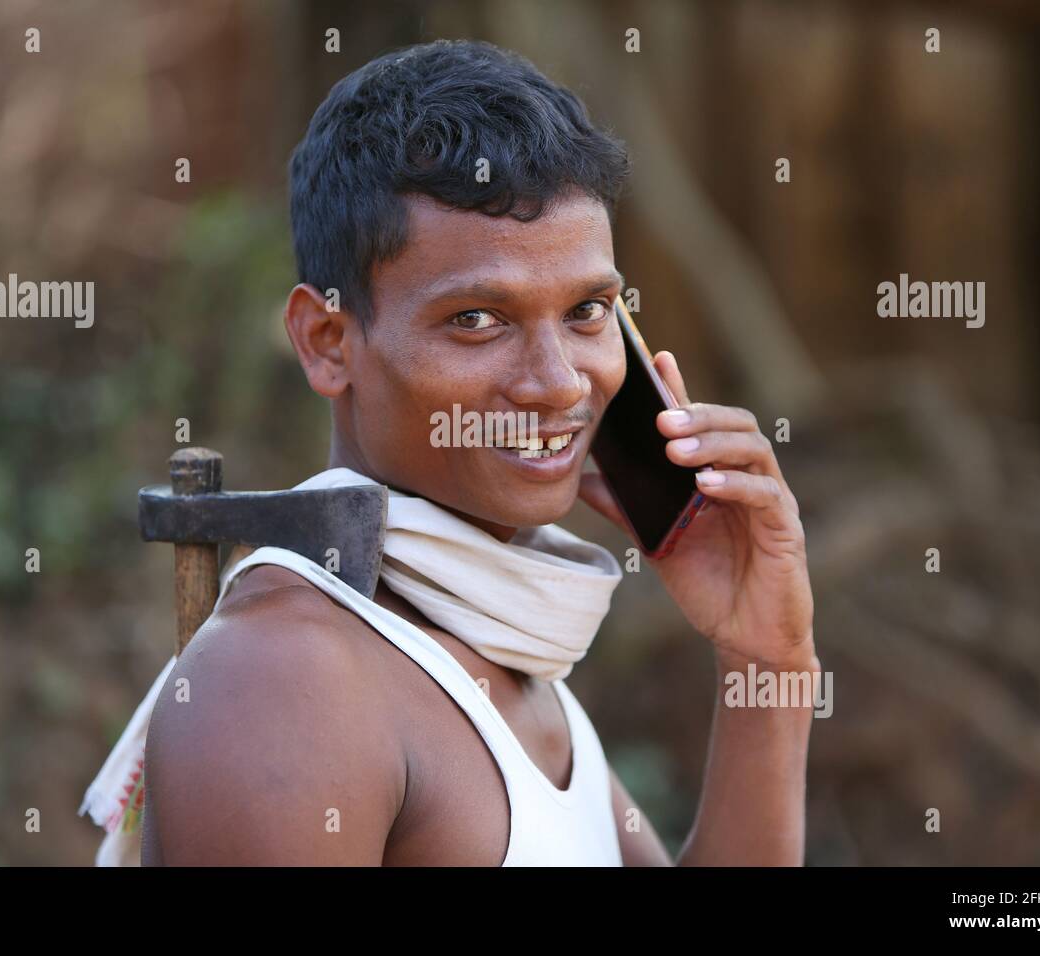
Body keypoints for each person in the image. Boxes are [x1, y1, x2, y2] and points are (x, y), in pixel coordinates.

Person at [80, 37, 817, 866]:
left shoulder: (510, 653)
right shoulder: (288, 679)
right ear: (327, 341)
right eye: (476, 320)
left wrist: (766, 655)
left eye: (587, 311)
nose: (558, 385)